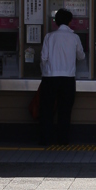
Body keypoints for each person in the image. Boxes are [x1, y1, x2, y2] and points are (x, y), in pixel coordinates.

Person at [39, 8, 85, 145]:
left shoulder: (49, 36)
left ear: (56, 22)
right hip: (67, 79)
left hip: (50, 78)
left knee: (47, 110)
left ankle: (45, 140)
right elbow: (81, 56)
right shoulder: (74, 37)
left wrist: (45, 71)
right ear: (70, 21)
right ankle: (62, 140)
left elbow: (43, 58)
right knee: (65, 111)